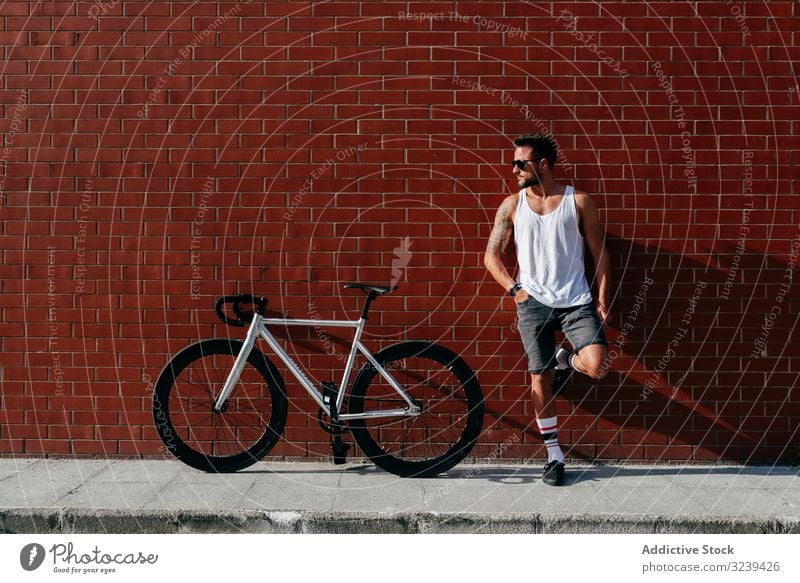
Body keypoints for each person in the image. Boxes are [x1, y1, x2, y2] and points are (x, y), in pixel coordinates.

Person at [484, 133, 611, 486]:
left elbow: (600, 253)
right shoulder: (512, 205)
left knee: (597, 365)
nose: (513, 170)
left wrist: (602, 297)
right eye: (512, 163)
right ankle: (554, 455)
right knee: (539, 378)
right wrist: (515, 290)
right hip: (533, 303)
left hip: (576, 301)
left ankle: (565, 360)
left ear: (542, 164)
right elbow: (490, 256)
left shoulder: (578, 201)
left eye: (519, 163)